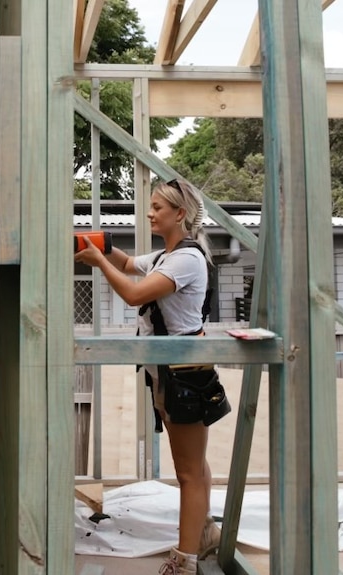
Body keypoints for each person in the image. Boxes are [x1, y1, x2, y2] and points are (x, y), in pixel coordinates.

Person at [74, 178, 226, 575]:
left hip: (185, 374)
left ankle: (185, 560)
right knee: (196, 464)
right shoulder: (165, 256)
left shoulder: (186, 260)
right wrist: (102, 247)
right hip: (171, 372)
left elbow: (134, 295)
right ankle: (204, 532)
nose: (150, 212)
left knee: (188, 472)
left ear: (180, 214)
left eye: (158, 207)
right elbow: (128, 265)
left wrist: (98, 261)